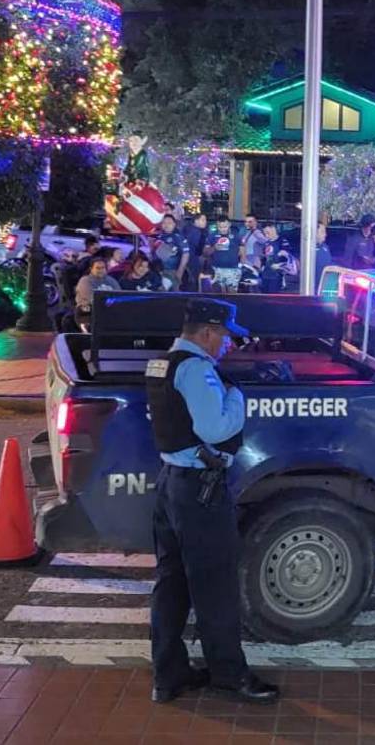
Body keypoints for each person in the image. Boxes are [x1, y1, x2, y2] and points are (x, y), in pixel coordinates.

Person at [146, 299, 280, 706]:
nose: (227, 345)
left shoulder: (162, 363)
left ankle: (168, 676)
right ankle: (228, 675)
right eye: (224, 337)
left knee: (172, 584)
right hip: (199, 490)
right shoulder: (196, 369)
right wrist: (237, 394)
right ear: (206, 332)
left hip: (171, 484)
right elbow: (215, 426)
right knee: (215, 585)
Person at [74, 257, 120, 328]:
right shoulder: (85, 281)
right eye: (98, 268)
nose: (101, 270)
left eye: (103, 268)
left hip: (111, 313)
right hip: (88, 313)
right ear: (91, 269)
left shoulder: (112, 281)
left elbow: (120, 296)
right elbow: (91, 299)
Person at [151, 214, 190, 291]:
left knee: (173, 296)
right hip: (159, 272)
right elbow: (154, 254)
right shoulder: (158, 237)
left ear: (174, 224)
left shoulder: (179, 237)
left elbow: (186, 254)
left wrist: (180, 271)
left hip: (173, 271)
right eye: (164, 223)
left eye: (169, 223)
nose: (166, 225)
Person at [209, 220, 242, 292]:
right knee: (218, 294)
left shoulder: (236, 235)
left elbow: (242, 250)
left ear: (229, 224)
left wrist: (242, 264)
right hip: (217, 269)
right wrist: (214, 248)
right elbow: (205, 252)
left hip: (233, 269)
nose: (223, 229)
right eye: (220, 227)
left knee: (232, 294)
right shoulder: (212, 235)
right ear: (217, 225)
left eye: (225, 226)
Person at [182, 214, 211, 290]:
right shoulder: (196, 232)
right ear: (196, 221)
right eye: (203, 220)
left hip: (188, 261)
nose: (205, 222)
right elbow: (200, 250)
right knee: (194, 284)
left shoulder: (187, 229)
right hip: (193, 261)